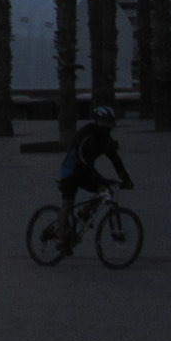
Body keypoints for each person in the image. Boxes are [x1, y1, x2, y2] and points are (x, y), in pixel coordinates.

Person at [58, 104, 134, 250]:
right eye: (105, 121)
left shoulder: (106, 140)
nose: (108, 125)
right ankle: (60, 239)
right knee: (67, 204)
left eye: (110, 122)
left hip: (86, 169)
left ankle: (85, 212)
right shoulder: (87, 134)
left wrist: (126, 178)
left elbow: (115, 160)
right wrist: (95, 175)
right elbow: (82, 157)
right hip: (71, 170)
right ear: (98, 121)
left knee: (103, 190)